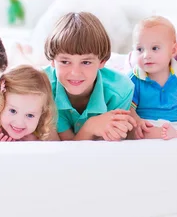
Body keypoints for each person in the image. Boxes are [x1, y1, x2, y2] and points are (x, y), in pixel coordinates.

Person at [43, 12, 136, 141]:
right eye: (65, 62)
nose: (75, 72)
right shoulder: (41, 88)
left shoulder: (121, 90)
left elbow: (106, 144)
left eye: (86, 62)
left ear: (102, 62)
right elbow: (66, 149)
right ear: (52, 61)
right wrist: (90, 127)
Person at [0, 64, 59, 141]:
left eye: (30, 115)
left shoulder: (45, 128)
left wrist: (37, 145)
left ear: (43, 112)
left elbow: (58, 156)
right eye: (13, 111)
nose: (19, 123)